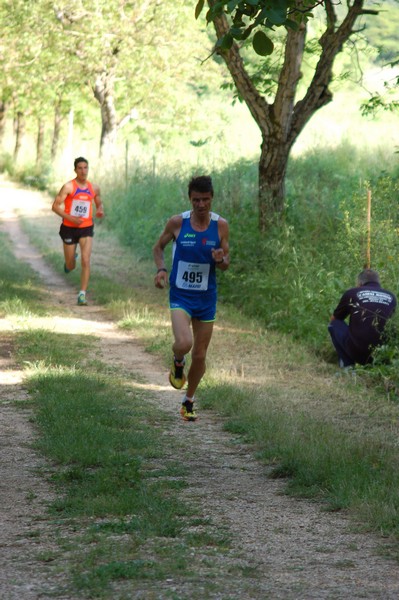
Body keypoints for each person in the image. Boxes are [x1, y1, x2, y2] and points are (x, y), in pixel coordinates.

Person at [153, 175, 230, 421]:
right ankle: (177, 361)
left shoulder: (220, 226)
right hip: (181, 295)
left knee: (199, 355)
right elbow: (158, 248)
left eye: (205, 200)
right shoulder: (177, 223)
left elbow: (225, 263)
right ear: (190, 199)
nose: (201, 205)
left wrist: (220, 259)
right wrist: (161, 269)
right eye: (196, 200)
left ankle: (188, 401)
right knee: (184, 344)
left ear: (212, 199)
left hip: (207, 298)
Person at [52, 157, 104, 306]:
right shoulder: (68, 187)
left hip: (86, 228)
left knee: (86, 260)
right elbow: (55, 206)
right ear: (75, 170)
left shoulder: (94, 188)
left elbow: (99, 203)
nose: (83, 171)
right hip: (69, 228)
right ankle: (70, 260)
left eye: (85, 168)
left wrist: (100, 210)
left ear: (88, 169)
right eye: (80, 168)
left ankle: (82, 294)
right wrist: (70, 218)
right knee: (71, 265)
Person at [328, 269, 396, 368]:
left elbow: (335, 319)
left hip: (358, 353)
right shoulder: (391, 297)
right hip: (383, 355)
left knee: (334, 325)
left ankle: (348, 366)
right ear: (378, 282)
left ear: (360, 283)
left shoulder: (352, 293)